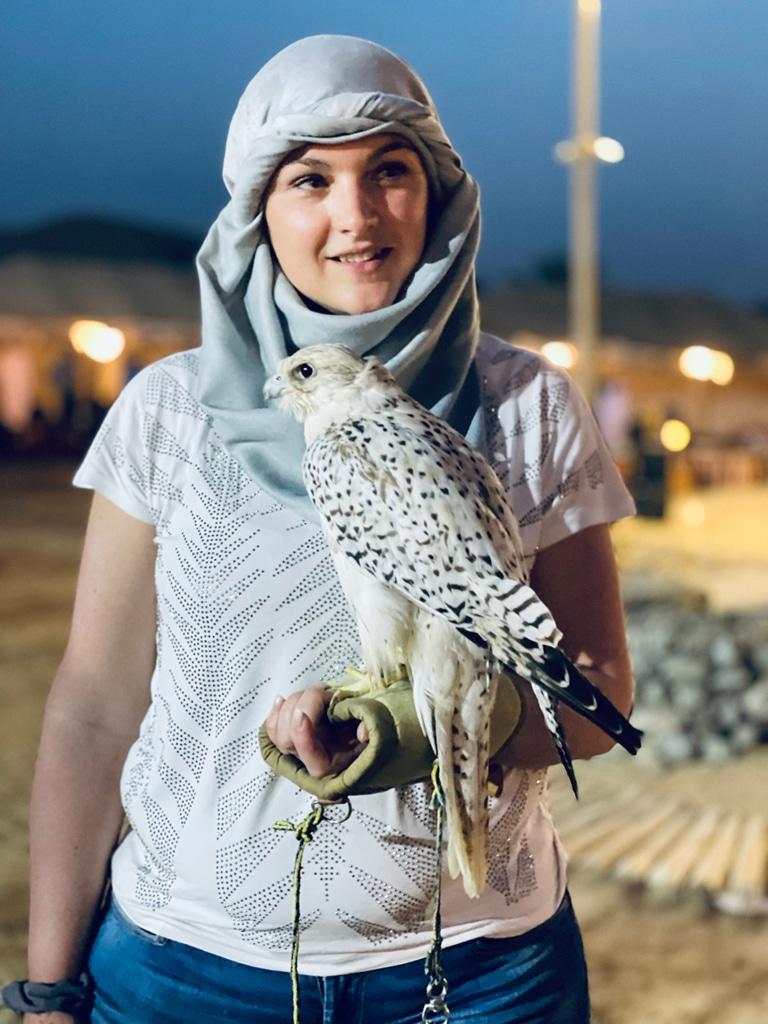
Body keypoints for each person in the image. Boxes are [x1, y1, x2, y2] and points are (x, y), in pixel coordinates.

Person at [20, 35, 635, 1024]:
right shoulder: (168, 408)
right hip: (188, 969)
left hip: (479, 973)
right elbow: (94, 707)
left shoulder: (526, 402)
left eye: (390, 170)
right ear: (257, 212)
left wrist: (423, 728)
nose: (355, 216)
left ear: (439, 192)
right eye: (310, 179)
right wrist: (48, 989)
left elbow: (597, 685)